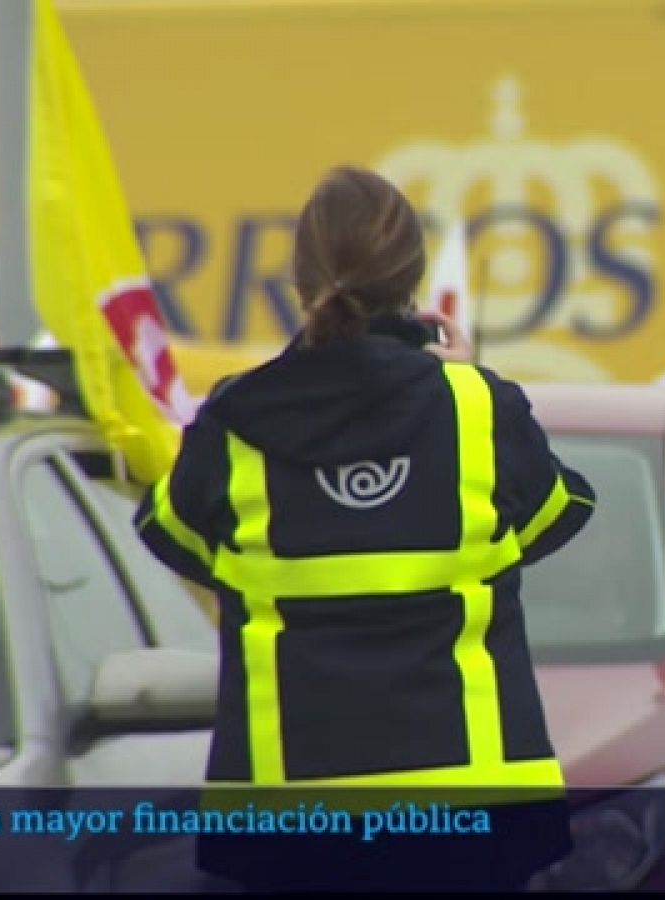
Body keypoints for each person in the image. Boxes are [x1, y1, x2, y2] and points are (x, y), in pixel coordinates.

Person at [134, 165, 596, 892]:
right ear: (412, 281)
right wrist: (467, 380)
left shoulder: (235, 422)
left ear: (299, 280)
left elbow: (169, 532)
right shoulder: (475, 408)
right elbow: (559, 512)